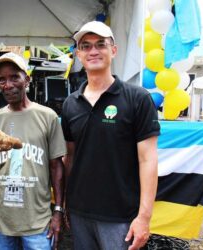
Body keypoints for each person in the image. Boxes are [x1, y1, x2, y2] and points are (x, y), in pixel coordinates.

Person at [61, 21, 160, 250]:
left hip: (121, 217)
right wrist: (66, 203)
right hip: (80, 214)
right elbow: (70, 158)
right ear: (78, 54)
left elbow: (148, 160)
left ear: (113, 50)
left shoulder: (138, 99)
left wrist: (144, 216)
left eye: (100, 44)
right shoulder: (70, 104)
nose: (93, 51)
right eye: (85, 46)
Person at [0, 52, 66, 250]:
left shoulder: (47, 117)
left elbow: (56, 166)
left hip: (37, 221)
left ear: (27, 79)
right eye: (1, 79)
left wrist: (58, 211)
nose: (8, 85)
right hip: (0, 220)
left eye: (14, 77)